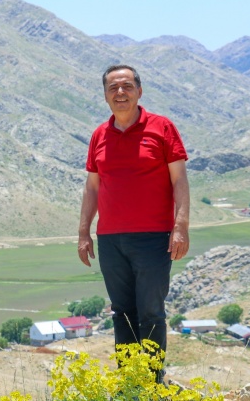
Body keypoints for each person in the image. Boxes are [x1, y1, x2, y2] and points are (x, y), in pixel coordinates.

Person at [77, 64, 190, 380]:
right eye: (113, 87)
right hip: (110, 240)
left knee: (151, 312)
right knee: (121, 312)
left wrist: (180, 226)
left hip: (153, 237)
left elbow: (179, 180)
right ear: (105, 95)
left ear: (139, 91)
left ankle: (153, 383)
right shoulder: (99, 135)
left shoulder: (162, 127)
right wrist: (84, 232)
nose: (120, 92)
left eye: (127, 86)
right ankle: (129, 383)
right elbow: (92, 187)